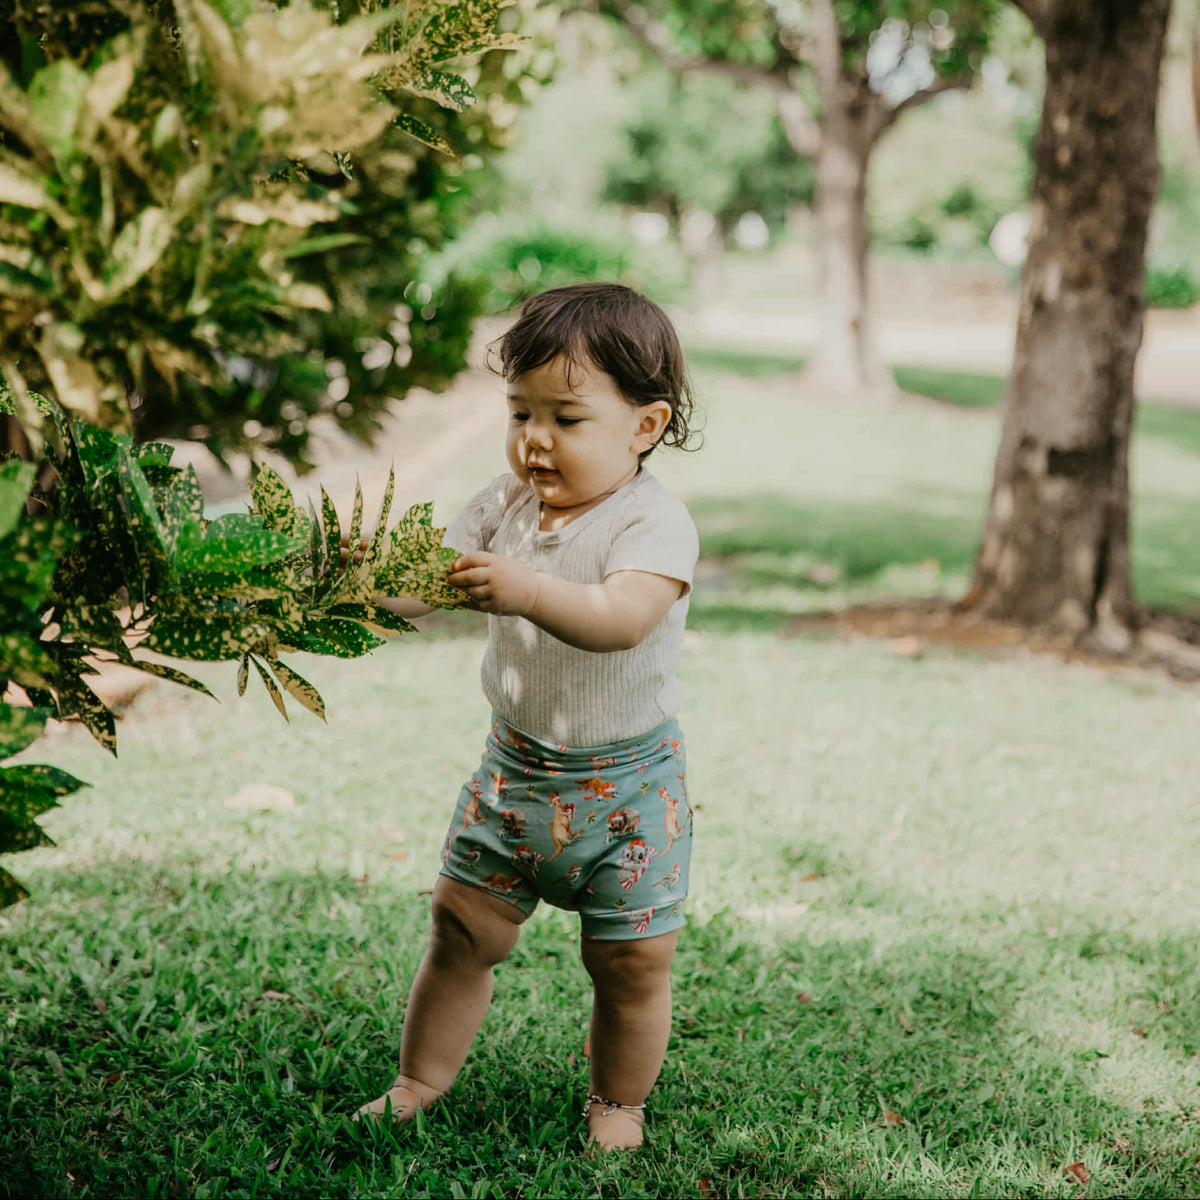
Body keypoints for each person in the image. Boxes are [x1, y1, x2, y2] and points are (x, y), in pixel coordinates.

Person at [357, 282, 700, 1151]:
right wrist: (362, 583)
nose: (534, 440)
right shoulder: (502, 507)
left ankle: (619, 1102)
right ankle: (419, 1078)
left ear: (645, 425)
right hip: (511, 776)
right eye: (519, 412)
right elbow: (425, 583)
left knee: (629, 963)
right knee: (460, 931)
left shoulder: (653, 523)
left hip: (627, 792)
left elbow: (621, 620)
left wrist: (527, 589)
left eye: (566, 418)